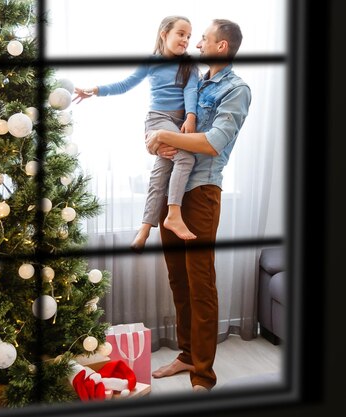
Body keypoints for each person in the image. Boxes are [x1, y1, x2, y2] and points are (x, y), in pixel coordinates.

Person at [145, 19, 251, 392]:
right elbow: (162, 122)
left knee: (200, 283)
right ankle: (187, 354)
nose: (196, 42)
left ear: (220, 47)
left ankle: (202, 376)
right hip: (172, 193)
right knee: (178, 280)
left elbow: (213, 142)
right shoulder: (194, 79)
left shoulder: (237, 90)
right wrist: (154, 139)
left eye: (203, 38)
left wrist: (164, 135)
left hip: (202, 193)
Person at [73, 15, 200, 253]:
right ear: (164, 34)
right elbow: (125, 84)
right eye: (181, 34)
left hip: (179, 121)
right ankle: (174, 213)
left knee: (160, 173)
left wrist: (191, 116)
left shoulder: (190, 65)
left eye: (189, 36)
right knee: (186, 158)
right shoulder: (151, 62)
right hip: (158, 120)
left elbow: (191, 90)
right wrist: (96, 90)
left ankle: (143, 230)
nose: (186, 40)